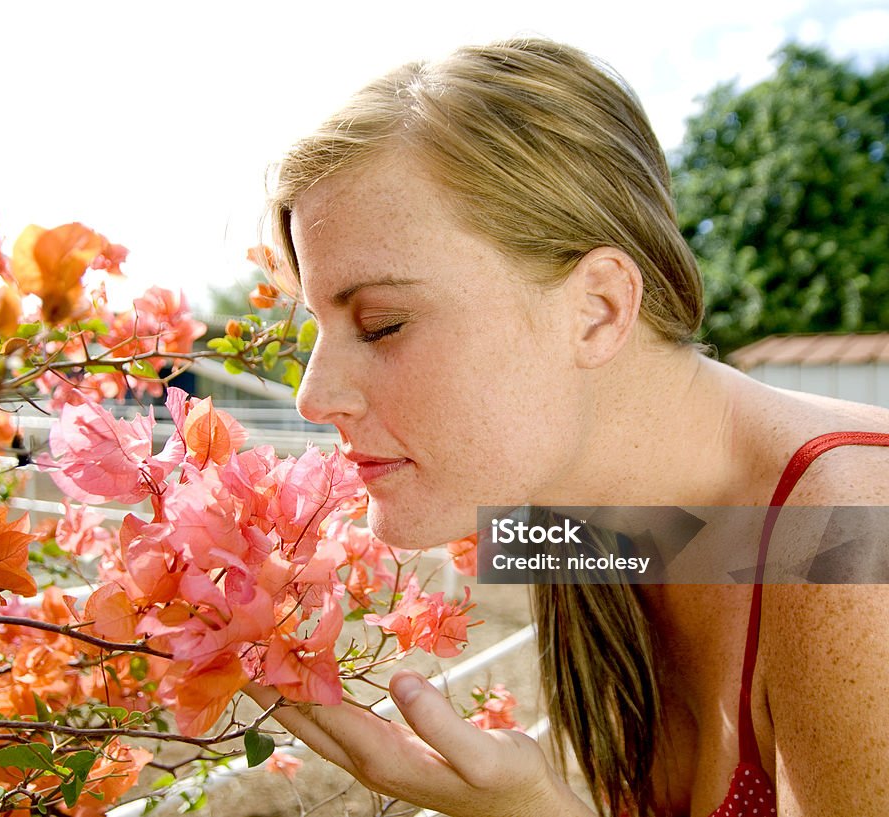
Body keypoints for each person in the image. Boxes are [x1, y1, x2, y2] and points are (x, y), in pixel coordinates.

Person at [246, 38, 889, 816]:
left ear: (598, 310)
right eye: (317, 323)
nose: (314, 396)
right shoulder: (585, 525)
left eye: (381, 324)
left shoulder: (854, 541)